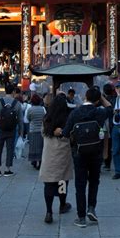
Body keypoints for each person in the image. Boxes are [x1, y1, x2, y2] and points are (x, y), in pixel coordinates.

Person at [61, 86, 112, 227]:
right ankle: (91, 208)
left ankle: (81, 217)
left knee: (80, 185)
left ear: (85, 97)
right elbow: (110, 107)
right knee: (94, 181)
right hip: (96, 152)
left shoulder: (75, 113)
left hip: (79, 153)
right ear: (97, 101)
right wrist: (100, 97)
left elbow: (65, 133)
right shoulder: (99, 112)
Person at [39, 93, 73, 223]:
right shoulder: (67, 118)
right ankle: (62, 204)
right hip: (63, 154)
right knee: (62, 180)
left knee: (48, 183)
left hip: (49, 154)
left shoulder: (47, 118)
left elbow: (43, 133)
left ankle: (49, 211)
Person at [0, 84, 23, 177]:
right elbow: (20, 119)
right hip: (12, 130)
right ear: (13, 92)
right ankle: (8, 169)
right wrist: (21, 131)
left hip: (0, 129)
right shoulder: (17, 104)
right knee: (10, 149)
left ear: (5, 91)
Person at [27, 94, 46, 169]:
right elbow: (45, 118)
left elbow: (28, 118)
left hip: (33, 130)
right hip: (41, 130)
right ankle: (40, 162)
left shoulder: (30, 109)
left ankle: (34, 161)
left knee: (33, 147)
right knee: (41, 147)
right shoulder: (43, 109)